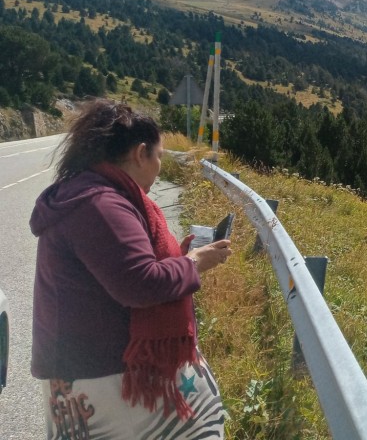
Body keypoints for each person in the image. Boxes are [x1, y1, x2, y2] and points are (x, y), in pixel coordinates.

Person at [30, 99, 232, 439]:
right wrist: (195, 262)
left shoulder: (88, 193)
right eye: (159, 157)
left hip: (84, 370)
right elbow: (139, 284)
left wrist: (178, 259)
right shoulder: (101, 203)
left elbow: (122, 266)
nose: (158, 168)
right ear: (141, 153)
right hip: (106, 375)